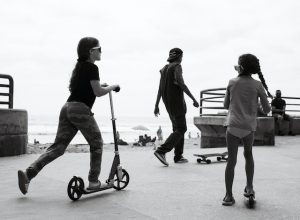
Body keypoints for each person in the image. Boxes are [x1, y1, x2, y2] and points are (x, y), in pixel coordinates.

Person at [17, 37, 120, 195]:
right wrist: (112, 86)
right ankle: (93, 181)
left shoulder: (80, 67)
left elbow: (92, 87)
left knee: (57, 148)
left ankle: (29, 173)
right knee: (97, 143)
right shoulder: (92, 68)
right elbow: (98, 92)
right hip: (80, 109)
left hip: (67, 108)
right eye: (99, 49)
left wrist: (103, 85)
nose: (101, 52)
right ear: (91, 51)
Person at [223, 54, 271, 206]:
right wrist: (256, 106)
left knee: (231, 160)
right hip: (248, 128)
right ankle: (249, 187)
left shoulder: (232, 82)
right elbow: (267, 109)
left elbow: (225, 105)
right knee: (248, 155)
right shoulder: (258, 85)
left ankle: (228, 196)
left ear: (241, 67)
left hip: (232, 126)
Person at [153, 48, 199, 166]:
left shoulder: (164, 69)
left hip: (167, 103)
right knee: (182, 128)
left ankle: (178, 156)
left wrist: (156, 104)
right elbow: (181, 83)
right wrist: (193, 98)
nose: (182, 59)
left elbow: (160, 88)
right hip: (177, 103)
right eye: (182, 57)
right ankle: (161, 151)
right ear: (179, 57)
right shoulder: (177, 66)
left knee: (177, 129)